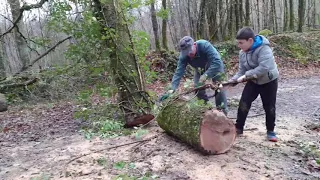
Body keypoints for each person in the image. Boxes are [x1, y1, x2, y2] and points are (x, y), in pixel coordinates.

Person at [228, 27, 279, 142]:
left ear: (250, 40)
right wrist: (234, 80)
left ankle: (270, 131)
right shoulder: (242, 53)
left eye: (241, 43)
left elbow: (264, 68)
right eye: (238, 43)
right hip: (253, 81)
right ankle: (238, 128)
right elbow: (241, 71)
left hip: (268, 81)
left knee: (269, 106)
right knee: (244, 102)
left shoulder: (264, 49)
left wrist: (246, 75)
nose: (239, 45)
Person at [160, 36, 228, 115]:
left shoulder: (204, 45)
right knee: (197, 87)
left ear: (194, 45)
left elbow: (217, 62)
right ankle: (206, 110)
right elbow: (178, 72)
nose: (189, 54)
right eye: (186, 52)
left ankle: (222, 112)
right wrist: (172, 89)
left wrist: (205, 76)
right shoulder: (184, 56)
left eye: (190, 51)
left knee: (219, 87)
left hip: (215, 66)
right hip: (199, 69)